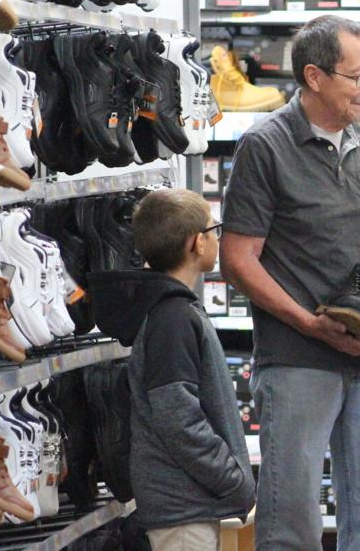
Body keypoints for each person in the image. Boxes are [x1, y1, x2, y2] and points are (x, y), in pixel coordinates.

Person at [220, 15, 360, 551]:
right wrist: (310, 324)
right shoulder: (265, 146)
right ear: (315, 76)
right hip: (298, 356)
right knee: (291, 507)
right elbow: (238, 260)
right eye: (359, 74)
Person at [88, 189, 255, 550]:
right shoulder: (173, 318)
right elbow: (177, 418)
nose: (217, 237)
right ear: (198, 243)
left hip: (185, 505)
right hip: (182, 511)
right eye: (215, 229)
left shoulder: (173, 311)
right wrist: (232, 479)